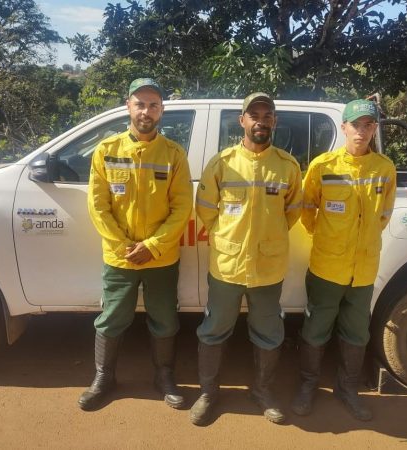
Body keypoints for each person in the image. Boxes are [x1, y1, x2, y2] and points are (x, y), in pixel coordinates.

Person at [78, 78, 193, 411]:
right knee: (112, 318)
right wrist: (124, 245)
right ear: (128, 105)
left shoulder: (173, 154)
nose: (147, 111)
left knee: (165, 319)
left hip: (161, 258)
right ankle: (104, 377)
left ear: (161, 111)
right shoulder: (107, 150)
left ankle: (164, 377)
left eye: (153, 105)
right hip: (119, 256)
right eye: (140, 104)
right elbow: (97, 205)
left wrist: (153, 245)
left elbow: (181, 207)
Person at [191, 92, 303, 425]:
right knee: (213, 330)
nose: (261, 120)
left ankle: (263, 391)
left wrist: (267, 238)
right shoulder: (222, 163)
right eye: (254, 115)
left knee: (269, 332)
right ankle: (209, 393)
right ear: (242, 121)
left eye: (267, 115)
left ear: (274, 122)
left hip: (268, 267)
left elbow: (292, 213)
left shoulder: (287, 166)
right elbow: (206, 211)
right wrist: (228, 239)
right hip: (226, 265)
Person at [291, 99, 397, 421]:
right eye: (356, 125)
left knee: (356, 333)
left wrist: (361, 243)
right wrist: (328, 239)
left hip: (363, 269)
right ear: (344, 127)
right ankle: (308, 386)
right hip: (327, 266)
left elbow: (384, 214)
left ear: (375, 129)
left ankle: (347, 388)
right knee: (316, 329)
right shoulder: (323, 166)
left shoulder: (384, 169)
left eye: (368, 125)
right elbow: (308, 212)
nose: (361, 132)